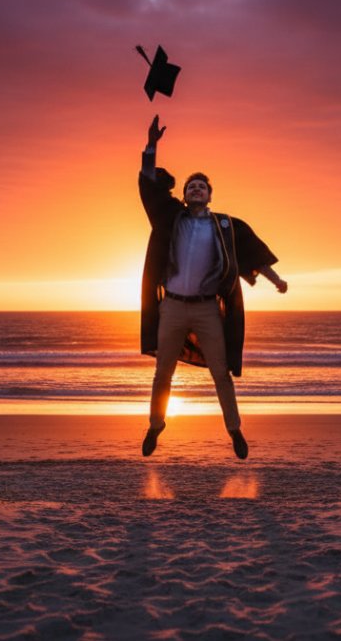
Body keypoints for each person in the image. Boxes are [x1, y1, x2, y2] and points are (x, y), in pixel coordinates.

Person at [137, 115, 287, 459]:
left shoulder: (226, 226)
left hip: (207, 309)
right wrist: (152, 146)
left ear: (209, 194)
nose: (196, 190)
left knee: (221, 373)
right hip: (172, 307)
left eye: (201, 187)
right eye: (191, 186)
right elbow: (148, 185)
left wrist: (275, 279)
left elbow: (252, 253)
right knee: (163, 373)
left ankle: (234, 431)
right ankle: (156, 426)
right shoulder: (169, 217)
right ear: (185, 194)